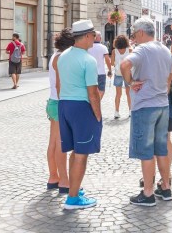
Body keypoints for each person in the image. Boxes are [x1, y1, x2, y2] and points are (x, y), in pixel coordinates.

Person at [120, 18, 172, 206]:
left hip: (145, 106)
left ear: (141, 32)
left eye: (134, 35)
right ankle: (165, 188)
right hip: (162, 105)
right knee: (161, 149)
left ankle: (148, 193)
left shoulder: (142, 50)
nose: (133, 38)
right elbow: (171, 76)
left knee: (146, 152)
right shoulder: (165, 50)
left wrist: (130, 81)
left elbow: (124, 64)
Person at [57, 20, 102, 210]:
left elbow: (59, 85)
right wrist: (98, 115)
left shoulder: (63, 56)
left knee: (74, 150)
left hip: (65, 104)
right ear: (85, 36)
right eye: (92, 35)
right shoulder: (88, 60)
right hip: (81, 107)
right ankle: (73, 198)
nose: (94, 38)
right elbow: (93, 93)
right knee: (82, 154)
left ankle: (73, 189)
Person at [46, 28, 73, 193]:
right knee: (60, 144)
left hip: (53, 101)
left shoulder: (55, 56)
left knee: (53, 142)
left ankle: (53, 177)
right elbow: (60, 85)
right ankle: (63, 180)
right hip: (59, 101)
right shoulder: (62, 58)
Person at [111, 35, 132, 118]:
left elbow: (112, 63)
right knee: (128, 93)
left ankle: (116, 111)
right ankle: (130, 110)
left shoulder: (114, 51)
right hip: (127, 73)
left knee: (118, 94)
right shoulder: (130, 50)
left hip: (118, 73)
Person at [88, 32, 111, 100]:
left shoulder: (88, 47)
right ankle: (98, 102)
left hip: (90, 72)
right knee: (101, 89)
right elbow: (107, 59)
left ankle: (93, 103)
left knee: (90, 90)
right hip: (101, 72)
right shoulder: (103, 47)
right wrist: (109, 70)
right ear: (100, 38)